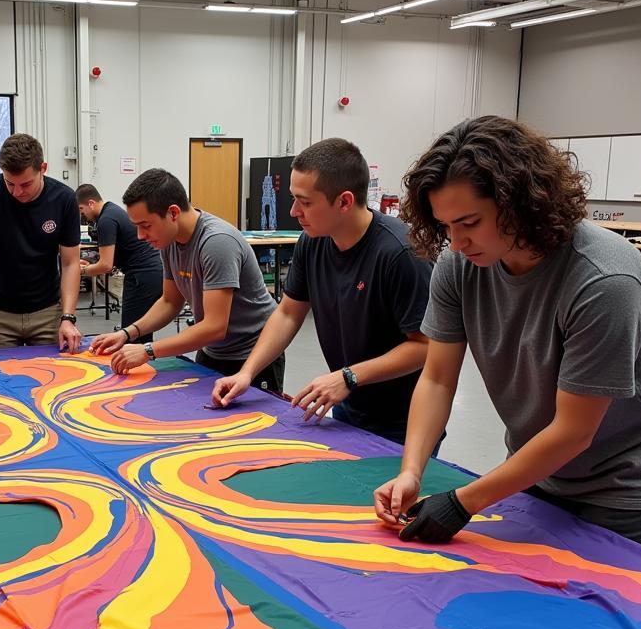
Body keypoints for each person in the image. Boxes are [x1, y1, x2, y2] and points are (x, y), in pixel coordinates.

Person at [372, 115, 641, 629]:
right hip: (540, 477)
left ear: (523, 202)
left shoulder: (607, 279)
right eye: (444, 225)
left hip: (631, 491)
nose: (456, 239)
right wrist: (413, 470)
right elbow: (437, 375)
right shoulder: (462, 264)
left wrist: (465, 503)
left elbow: (573, 431)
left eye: (470, 222)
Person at [211, 138, 432, 443]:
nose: (294, 211)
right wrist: (247, 373)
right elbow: (288, 313)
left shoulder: (399, 253)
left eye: (305, 202)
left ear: (343, 201)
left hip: (404, 421)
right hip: (347, 403)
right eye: (293, 198)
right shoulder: (312, 241)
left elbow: (425, 346)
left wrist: (349, 376)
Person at [90, 168, 284, 392]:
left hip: (252, 356)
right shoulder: (168, 240)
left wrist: (148, 350)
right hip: (213, 351)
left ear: (173, 213)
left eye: (145, 226)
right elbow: (170, 302)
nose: (140, 236)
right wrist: (127, 333)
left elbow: (214, 326)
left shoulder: (216, 243)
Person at [0, 133, 82, 355]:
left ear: (43, 168)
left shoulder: (64, 199)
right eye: (9, 183)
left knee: (57, 377)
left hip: (47, 312)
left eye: (26, 184)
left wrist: (68, 317)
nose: (17, 192)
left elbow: (70, 264)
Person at [75, 183, 164, 340]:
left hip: (143, 275)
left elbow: (106, 265)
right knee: (139, 329)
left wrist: (81, 271)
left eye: (82, 209)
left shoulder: (106, 220)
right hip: (149, 271)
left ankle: (138, 362)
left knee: (133, 333)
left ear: (91, 203)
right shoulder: (112, 210)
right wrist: (92, 266)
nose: (83, 215)